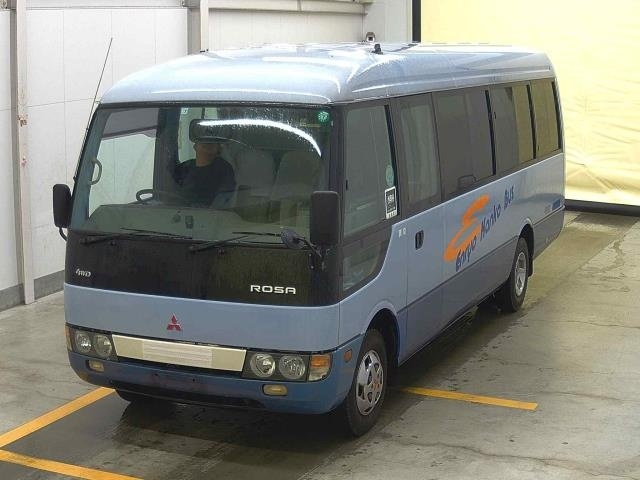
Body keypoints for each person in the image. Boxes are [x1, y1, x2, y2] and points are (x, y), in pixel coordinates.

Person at [179, 136, 236, 207]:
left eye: (212, 141)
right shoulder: (183, 168)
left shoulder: (224, 168)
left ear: (219, 148)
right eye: (203, 140)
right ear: (195, 146)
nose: (207, 143)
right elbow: (172, 194)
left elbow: (225, 197)